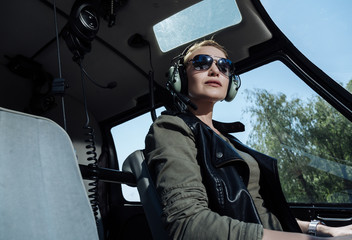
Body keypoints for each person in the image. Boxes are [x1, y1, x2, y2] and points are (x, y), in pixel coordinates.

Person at [144, 39, 352, 240]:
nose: (215, 70)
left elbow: (261, 216)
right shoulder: (171, 127)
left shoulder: (228, 139)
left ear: (231, 82)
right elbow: (188, 224)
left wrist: (324, 230)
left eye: (224, 66)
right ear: (180, 76)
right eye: (201, 63)